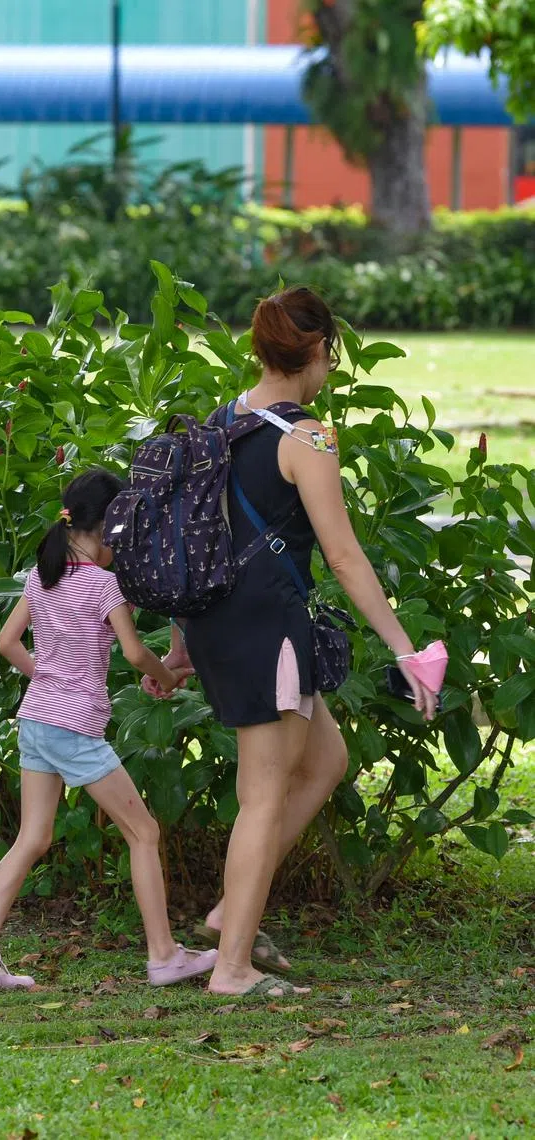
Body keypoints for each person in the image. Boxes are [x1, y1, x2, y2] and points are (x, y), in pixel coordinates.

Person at [175, 286, 439, 999]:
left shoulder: (220, 421)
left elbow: (197, 540)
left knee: (324, 759)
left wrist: (177, 646)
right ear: (319, 351)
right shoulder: (310, 437)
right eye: (330, 356)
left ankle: (234, 911)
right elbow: (346, 558)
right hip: (269, 633)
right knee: (262, 795)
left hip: (219, 625)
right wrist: (407, 650)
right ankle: (231, 970)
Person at [0, 470, 217, 991]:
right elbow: (137, 652)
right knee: (143, 832)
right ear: (110, 522)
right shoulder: (102, 583)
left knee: (32, 837)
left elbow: (7, 643)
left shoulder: (40, 576)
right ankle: (164, 956)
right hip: (74, 727)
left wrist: (48, 677)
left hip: (36, 719)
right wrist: (166, 677)